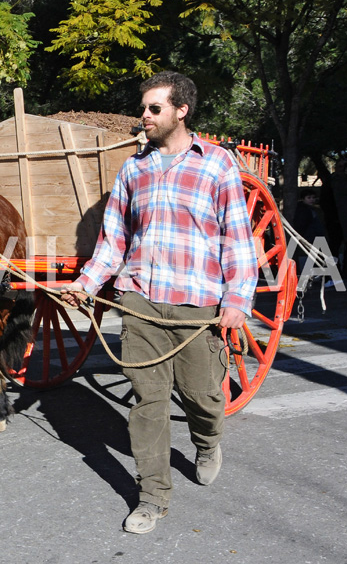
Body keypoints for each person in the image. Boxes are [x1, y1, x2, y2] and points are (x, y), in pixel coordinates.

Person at [61, 71, 258, 534]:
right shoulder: (135, 169)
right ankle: (152, 497)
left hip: (197, 305)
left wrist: (237, 299)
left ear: (181, 111)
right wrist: (88, 283)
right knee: (147, 404)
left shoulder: (217, 164)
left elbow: (238, 238)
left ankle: (207, 442)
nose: (143, 116)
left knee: (203, 397)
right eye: (143, 108)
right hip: (141, 304)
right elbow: (114, 240)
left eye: (153, 109)